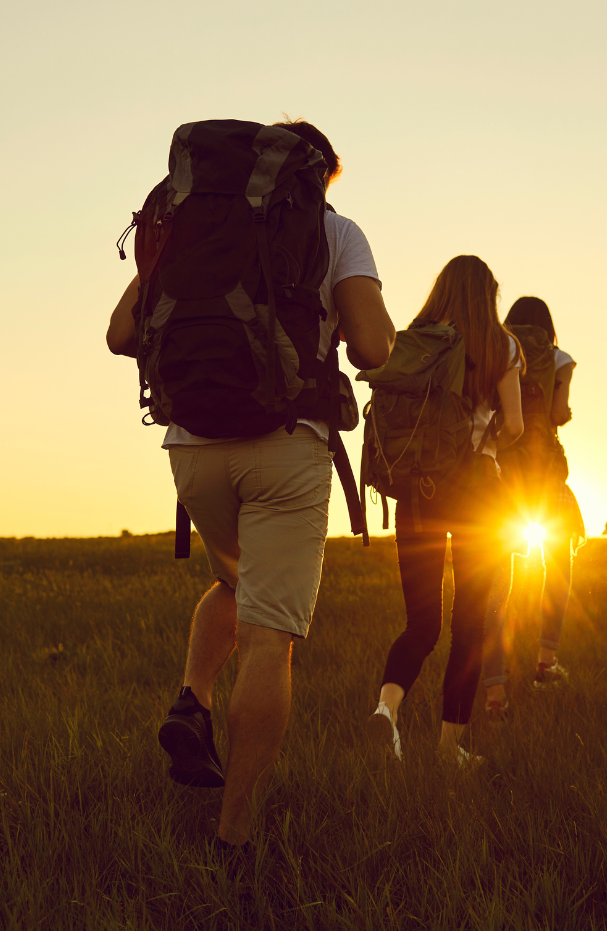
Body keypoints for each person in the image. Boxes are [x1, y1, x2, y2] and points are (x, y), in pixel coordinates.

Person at [107, 119, 394, 847]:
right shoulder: (336, 232)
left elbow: (119, 333)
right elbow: (370, 345)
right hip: (286, 443)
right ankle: (235, 839)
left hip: (191, 447)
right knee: (271, 638)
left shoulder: (199, 223)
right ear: (320, 174)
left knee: (237, 585)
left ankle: (192, 700)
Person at [371, 256, 523, 764]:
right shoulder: (501, 345)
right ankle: (447, 748)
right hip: (478, 494)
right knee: (470, 625)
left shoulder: (417, 340)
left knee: (422, 624)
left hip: (420, 490)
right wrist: (487, 443)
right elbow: (518, 426)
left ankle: (387, 711)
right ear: (488, 295)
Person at [481, 296, 585, 716]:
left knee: (493, 586)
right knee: (559, 565)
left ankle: (494, 692)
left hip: (500, 470)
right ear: (548, 326)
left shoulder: (497, 348)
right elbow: (558, 414)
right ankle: (546, 662)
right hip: (545, 473)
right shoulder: (560, 358)